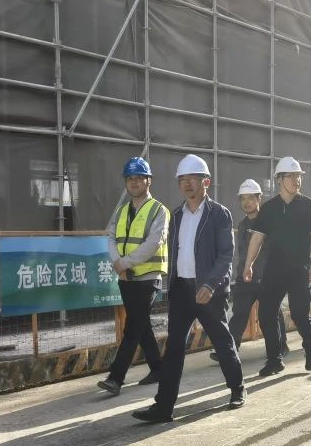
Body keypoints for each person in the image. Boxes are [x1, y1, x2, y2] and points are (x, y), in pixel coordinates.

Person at [132, 154, 245, 422]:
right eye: (182, 179)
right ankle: (163, 407)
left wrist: (211, 284)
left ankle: (237, 389)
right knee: (173, 349)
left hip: (208, 291)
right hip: (182, 290)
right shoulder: (176, 216)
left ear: (206, 182)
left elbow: (226, 256)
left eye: (193, 178)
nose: (187, 183)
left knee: (222, 342)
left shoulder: (219, 214)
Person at [244, 156, 311, 376]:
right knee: (266, 314)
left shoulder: (308, 205)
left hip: (299, 270)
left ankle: (310, 350)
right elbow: (257, 238)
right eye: (291, 176)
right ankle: (274, 360)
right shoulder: (268, 209)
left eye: (299, 176)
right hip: (274, 271)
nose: (297, 180)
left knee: (299, 314)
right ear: (279, 179)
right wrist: (248, 265)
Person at [97, 157, 169, 396]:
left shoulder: (159, 210)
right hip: (125, 277)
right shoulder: (121, 211)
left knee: (132, 327)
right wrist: (117, 263)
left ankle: (116, 378)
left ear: (149, 181)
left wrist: (124, 263)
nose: (134, 182)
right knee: (141, 324)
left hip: (147, 277)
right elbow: (110, 237)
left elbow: (153, 242)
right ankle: (158, 369)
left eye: (139, 178)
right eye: (130, 178)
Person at [209, 179, 288, 362]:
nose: (247, 203)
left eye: (251, 198)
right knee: (239, 312)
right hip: (246, 278)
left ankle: (280, 347)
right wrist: (241, 273)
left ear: (259, 199)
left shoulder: (269, 222)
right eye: (243, 199)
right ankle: (230, 349)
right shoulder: (243, 224)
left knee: (272, 313)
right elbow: (243, 252)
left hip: (268, 278)